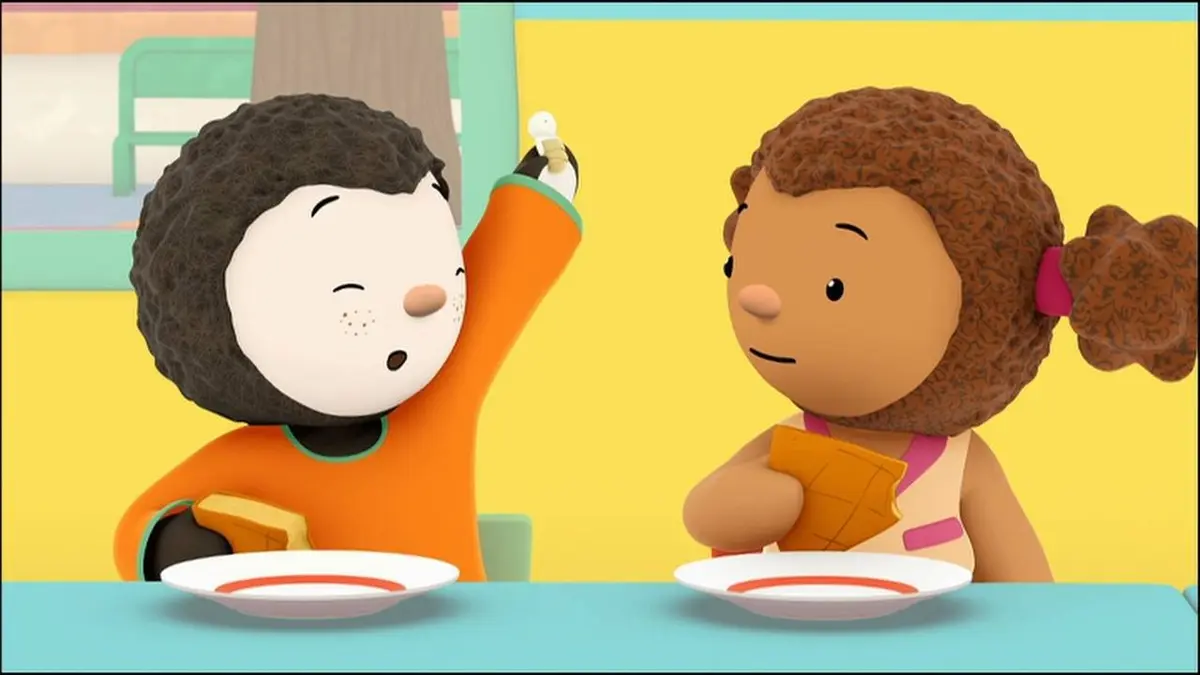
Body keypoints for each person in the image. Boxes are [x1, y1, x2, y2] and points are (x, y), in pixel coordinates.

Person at [684, 87, 1197, 582]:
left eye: (833, 287)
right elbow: (704, 512)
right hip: (800, 621)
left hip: (936, 630)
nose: (757, 298)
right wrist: (752, 503)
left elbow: (1026, 588)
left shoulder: (962, 466)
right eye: (738, 265)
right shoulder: (791, 444)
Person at [113, 94, 583, 582]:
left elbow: (504, 276)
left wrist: (541, 187)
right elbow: (136, 529)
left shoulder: (438, 403)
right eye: (351, 285)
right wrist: (176, 545)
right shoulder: (242, 463)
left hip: (450, 626)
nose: (424, 297)